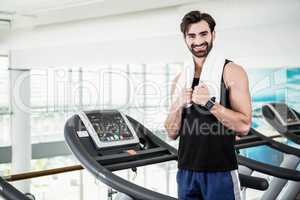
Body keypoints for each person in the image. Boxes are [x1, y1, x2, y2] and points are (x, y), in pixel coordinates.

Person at [164, 11, 252, 200]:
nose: (198, 41)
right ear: (185, 39)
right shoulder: (180, 79)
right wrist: (178, 105)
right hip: (186, 172)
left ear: (213, 34)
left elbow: (244, 126)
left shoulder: (231, 71)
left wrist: (210, 104)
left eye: (203, 34)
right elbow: (171, 133)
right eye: (192, 36)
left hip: (220, 171)